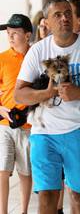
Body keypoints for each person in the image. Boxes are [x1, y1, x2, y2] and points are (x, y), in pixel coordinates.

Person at [14, 0, 80, 214]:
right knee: (47, 196)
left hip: (79, 131)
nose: (65, 17)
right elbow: (19, 94)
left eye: (68, 12)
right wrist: (45, 93)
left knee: (78, 194)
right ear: (46, 21)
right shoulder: (38, 51)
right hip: (43, 134)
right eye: (57, 14)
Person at [0, 14, 33, 214]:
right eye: (8, 33)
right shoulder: (2, 58)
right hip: (4, 124)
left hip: (29, 127)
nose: (10, 37)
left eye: (15, 33)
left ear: (27, 35)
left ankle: (23, 211)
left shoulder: (36, 57)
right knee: (2, 170)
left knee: (25, 172)